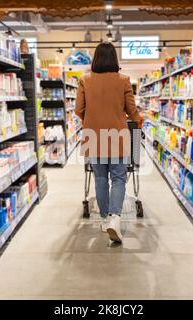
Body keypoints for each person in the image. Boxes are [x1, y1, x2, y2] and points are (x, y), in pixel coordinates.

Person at [74, 42, 140, 243]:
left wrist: (91, 118)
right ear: (114, 59)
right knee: (119, 178)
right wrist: (137, 122)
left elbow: (78, 109)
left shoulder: (85, 80)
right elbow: (132, 111)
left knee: (100, 178)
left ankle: (104, 218)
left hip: (93, 135)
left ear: (95, 59)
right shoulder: (124, 80)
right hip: (117, 135)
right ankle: (115, 218)